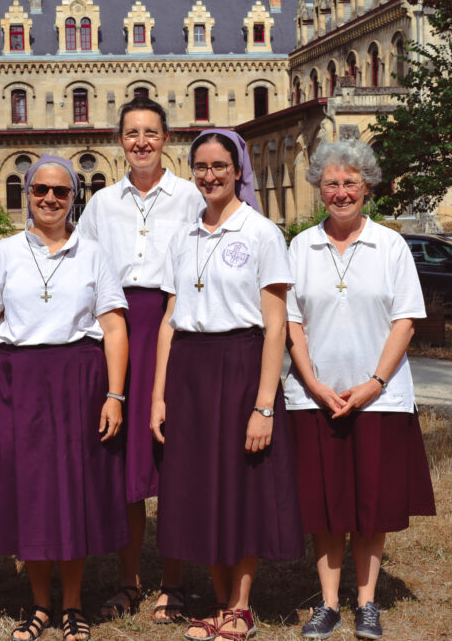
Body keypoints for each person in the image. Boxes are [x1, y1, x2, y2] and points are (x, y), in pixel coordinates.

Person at [0, 155, 129, 641]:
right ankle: (39, 605)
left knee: (72, 490)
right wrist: (18, 349)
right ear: (28, 194)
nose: (50, 199)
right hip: (20, 381)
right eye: (41, 190)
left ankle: (74, 605)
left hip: (79, 378)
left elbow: (114, 326)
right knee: (31, 491)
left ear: (72, 196)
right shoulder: (2, 253)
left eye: (61, 191)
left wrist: (115, 394)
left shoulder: (93, 253)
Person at [150, 129, 303, 641]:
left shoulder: (261, 233)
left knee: (240, 487)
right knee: (199, 486)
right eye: (201, 167)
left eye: (220, 166)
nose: (210, 176)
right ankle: (218, 600)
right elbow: (170, 318)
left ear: (239, 171)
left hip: (240, 366)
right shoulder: (183, 235)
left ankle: (240, 607)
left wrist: (264, 405)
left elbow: (276, 324)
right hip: (189, 370)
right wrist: (158, 395)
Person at [285, 140, 436, 640]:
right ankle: (328, 604)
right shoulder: (300, 246)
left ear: (367, 186)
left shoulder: (390, 245)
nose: (341, 192)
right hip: (315, 398)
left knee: (371, 507)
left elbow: (405, 322)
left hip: (380, 400)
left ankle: (367, 602)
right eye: (331, 183)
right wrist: (312, 383)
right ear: (319, 189)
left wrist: (373, 384)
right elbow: (292, 323)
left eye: (351, 182)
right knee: (326, 507)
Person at [75, 96, 203, 623]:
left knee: (174, 456)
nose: (142, 142)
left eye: (151, 132)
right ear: (119, 139)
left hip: (175, 328)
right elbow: (81, 268)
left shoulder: (192, 196)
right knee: (126, 459)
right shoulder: (103, 203)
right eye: (132, 133)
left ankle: (173, 583)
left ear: (165, 139)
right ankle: (128, 581)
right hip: (121, 326)